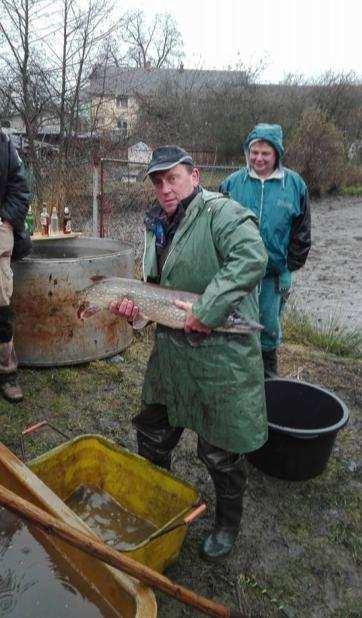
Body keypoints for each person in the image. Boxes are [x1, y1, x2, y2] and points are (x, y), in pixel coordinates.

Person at [109, 145, 268, 562]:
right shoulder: (156, 226)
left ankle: (227, 522)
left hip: (220, 358)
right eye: (158, 181)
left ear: (194, 176)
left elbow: (252, 257)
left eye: (173, 177)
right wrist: (134, 312)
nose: (165, 188)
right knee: (152, 431)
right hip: (172, 355)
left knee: (219, 449)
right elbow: (153, 289)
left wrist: (207, 310)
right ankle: (161, 500)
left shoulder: (221, 213)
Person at [220, 124, 311, 378]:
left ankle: (268, 377)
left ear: (277, 155)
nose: (258, 158)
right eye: (254, 152)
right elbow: (215, 227)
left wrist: (289, 268)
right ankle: (236, 375)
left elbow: (302, 233)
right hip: (235, 271)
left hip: (273, 274)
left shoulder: (294, 185)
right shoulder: (231, 184)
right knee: (233, 323)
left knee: (268, 327)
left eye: (265, 153)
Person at [0, 131, 31, 402]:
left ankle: (8, 372)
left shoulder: (5, 145)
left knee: (1, 304)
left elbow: (21, 190)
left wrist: (6, 223)